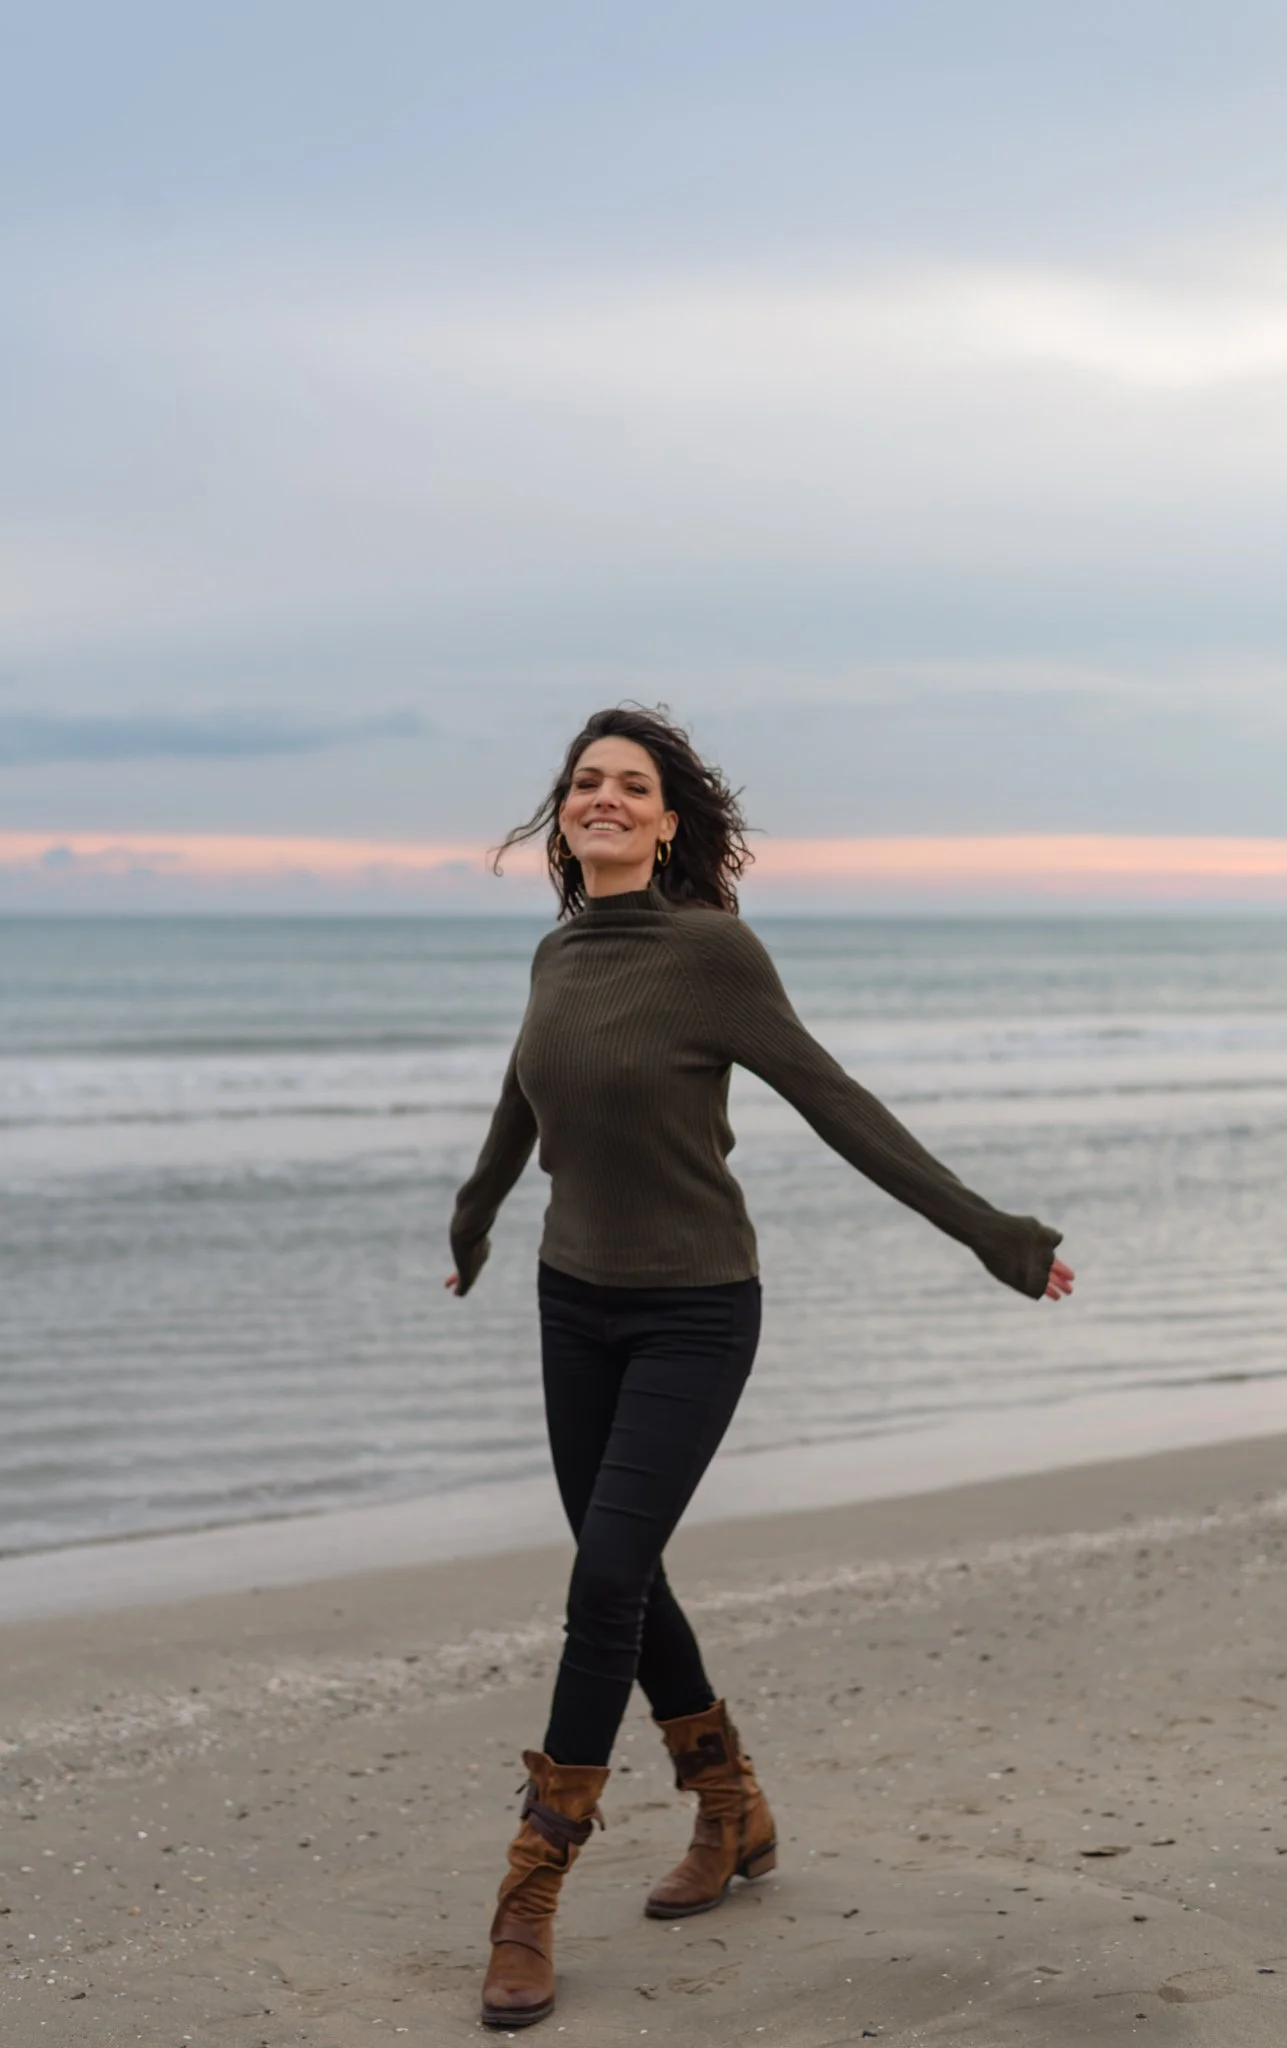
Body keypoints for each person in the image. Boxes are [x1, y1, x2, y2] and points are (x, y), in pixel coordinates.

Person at [445, 705, 1074, 2030]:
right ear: (564, 812)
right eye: (585, 781)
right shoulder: (558, 953)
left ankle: (528, 1895)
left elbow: (833, 1099)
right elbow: (524, 1096)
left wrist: (993, 1234)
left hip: (693, 1312)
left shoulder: (714, 953)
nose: (604, 798)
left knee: (603, 1579)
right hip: (572, 1303)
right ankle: (730, 1808)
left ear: (667, 822)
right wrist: (473, 1218)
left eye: (632, 786)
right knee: (627, 1573)